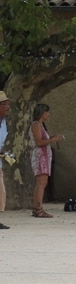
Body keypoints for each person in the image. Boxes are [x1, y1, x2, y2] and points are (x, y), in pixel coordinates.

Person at [30, 103, 64, 218]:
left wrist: (52, 138)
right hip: (40, 156)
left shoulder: (41, 125)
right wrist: (52, 140)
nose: (48, 114)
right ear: (42, 112)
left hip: (44, 156)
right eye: (47, 112)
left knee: (42, 183)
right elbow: (39, 142)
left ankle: (37, 207)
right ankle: (38, 208)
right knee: (41, 183)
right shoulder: (36, 125)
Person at [0, 91, 12, 229]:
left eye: (8, 104)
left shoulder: (4, 122)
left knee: (1, 192)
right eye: (4, 104)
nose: (7, 107)